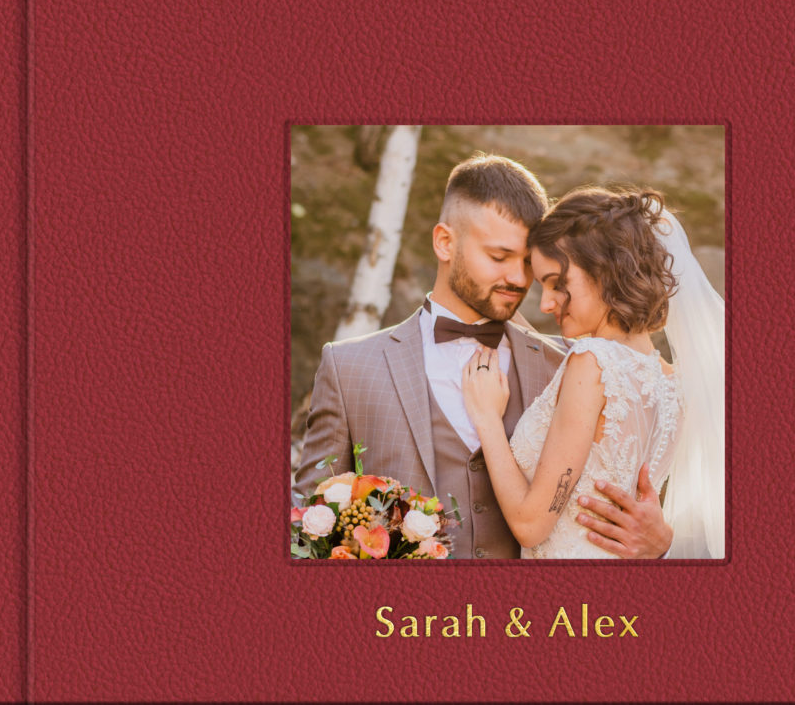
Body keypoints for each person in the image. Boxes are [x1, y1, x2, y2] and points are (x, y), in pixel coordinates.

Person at [292, 154, 674, 559]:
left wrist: (660, 542)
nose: (518, 279)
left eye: (528, 263)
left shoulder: (573, 362)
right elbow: (307, 522)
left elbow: (632, 493)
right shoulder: (349, 367)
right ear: (445, 242)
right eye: (498, 257)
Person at [461, 186, 725, 558]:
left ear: (605, 273)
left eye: (557, 284)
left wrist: (487, 419)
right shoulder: (672, 383)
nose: (547, 302)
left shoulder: (592, 361)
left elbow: (529, 525)